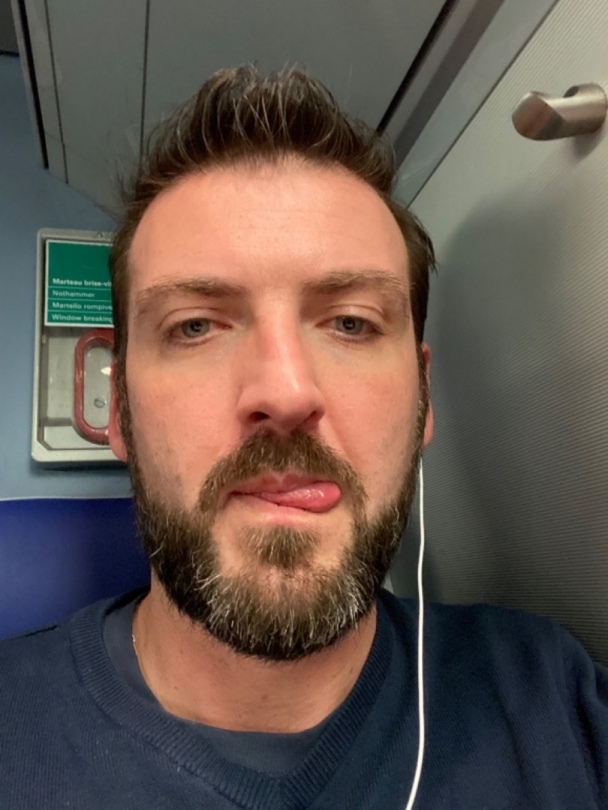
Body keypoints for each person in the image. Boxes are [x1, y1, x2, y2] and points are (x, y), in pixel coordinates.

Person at [1, 66, 607, 810]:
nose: (286, 393)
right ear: (117, 410)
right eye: (196, 326)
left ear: (422, 399)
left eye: (351, 323)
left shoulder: (557, 707)